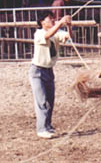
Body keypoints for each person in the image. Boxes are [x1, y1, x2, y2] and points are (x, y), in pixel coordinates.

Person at [29, 10, 73, 139]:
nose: (52, 20)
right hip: (37, 71)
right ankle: (41, 129)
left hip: (49, 70)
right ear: (42, 22)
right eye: (50, 19)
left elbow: (68, 37)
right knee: (41, 100)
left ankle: (47, 126)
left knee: (50, 100)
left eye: (53, 18)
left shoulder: (56, 33)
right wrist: (60, 23)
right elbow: (48, 35)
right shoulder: (39, 33)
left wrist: (69, 26)